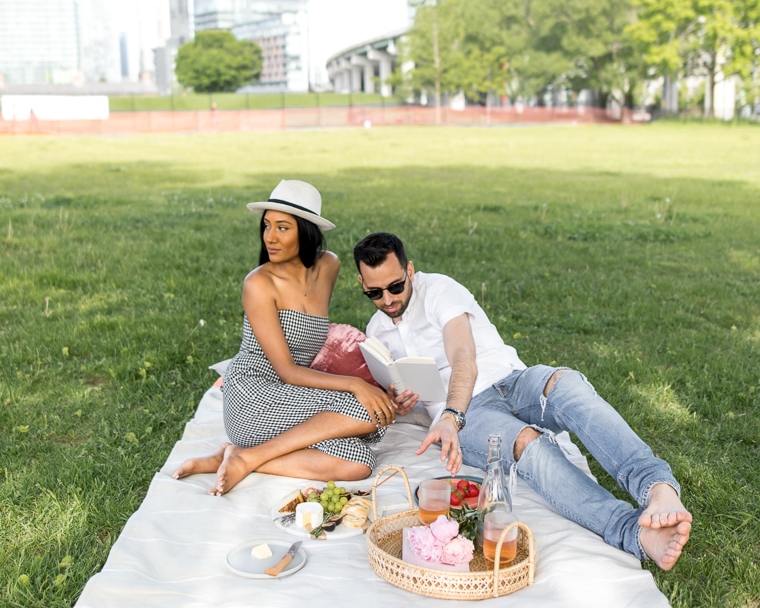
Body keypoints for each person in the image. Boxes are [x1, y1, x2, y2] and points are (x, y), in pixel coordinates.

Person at [353, 232, 692, 571]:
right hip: (473, 416)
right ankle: (632, 531)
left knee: (566, 384)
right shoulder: (376, 331)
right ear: (362, 284)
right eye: (374, 292)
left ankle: (656, 487)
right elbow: (400, 391)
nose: (387, 299)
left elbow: (463, 356)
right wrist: (401, 400)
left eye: (395, 287)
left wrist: (451, 415)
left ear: (410, 271)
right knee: (526, 443)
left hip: (509, 380)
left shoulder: (439, 290)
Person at [174, 181, 396, 494]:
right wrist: (355, 384)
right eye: (267, 226)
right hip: (252, 397)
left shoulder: (328, 266)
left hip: (290, 395)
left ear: (305, 232)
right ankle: (247, 453)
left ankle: (241, 457)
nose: (270, 237)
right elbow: (287, 371)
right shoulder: (259, 284)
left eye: (282, 227)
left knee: (360, 462)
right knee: (366, 409)